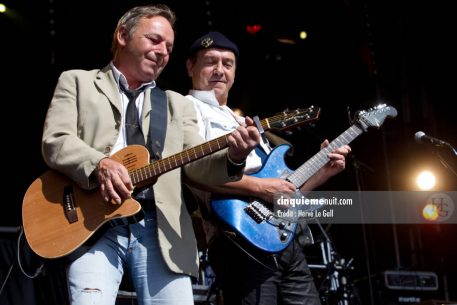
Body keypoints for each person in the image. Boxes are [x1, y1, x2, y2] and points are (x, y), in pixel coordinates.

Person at [41, 6, 260, 305]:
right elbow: (56, 140)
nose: (162, 52)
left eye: (169, 47)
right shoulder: (77, 82)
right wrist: (99, 164)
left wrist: (234, 156)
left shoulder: (175, 105)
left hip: (161, 231)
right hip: (92, 223)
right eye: (154, 40)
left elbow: (197, 168)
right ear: (122, 35)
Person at [184, 31, 352, 304]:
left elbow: (281, 191)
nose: (219, 70)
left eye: (228, 64)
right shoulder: (185, 109)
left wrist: (322, 172)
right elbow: (193, 171)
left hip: (283, 238)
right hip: (238, 239)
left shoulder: (244, 122)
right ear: (190, 66)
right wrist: (261, 188)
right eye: (210, 62)